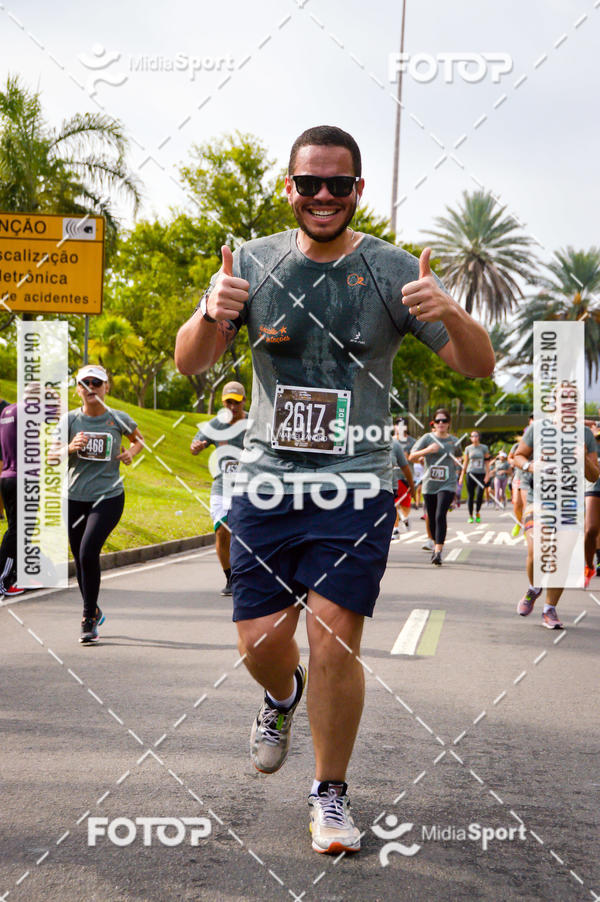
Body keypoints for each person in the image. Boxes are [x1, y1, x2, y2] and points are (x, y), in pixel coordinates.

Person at [174, 124, 494, 854]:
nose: (323, 196)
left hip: (356, 484)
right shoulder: (250, 263)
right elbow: (191, 361)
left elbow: (479, 366)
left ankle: (329, 795)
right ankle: (279, 695)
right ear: (288, 187)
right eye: (309, 183)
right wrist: (211, 308)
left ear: (357, 191)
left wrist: (447, 310)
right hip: (266, 480)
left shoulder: (390, 271)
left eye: (338, 185)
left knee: (333, 639)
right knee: (260, 640)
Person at [63, 365, 144, 643]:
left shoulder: (117, 418)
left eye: (96, 383)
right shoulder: (70, 421)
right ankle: (94, 609)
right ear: (77, 390)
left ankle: (87, 618)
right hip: (74, 498)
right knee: (80, 559)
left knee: (87, 552)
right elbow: (50, 456)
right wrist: (70, 448)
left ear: (106, 387)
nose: (91, 388)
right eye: (84, 383)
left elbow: (139, 439)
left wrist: (131, 452)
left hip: (108, 498)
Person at [514, 419, 598, 627]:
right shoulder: (538, 429)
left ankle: (549, 609)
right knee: (537, 551)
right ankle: (534, 587)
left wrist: (584, 459)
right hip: (539, 501)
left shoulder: (585, 434)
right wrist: (531, 465)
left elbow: (594, 475)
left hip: (570, 505)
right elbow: (517, 455)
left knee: (563, 556)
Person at [191, 381, 247, 595]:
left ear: (244, 401)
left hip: (249, 489)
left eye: (237, 403)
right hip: (221, 488)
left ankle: (250, 573)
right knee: (223, 532)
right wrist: (197, 446)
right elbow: (195, 446)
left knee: (247, 535)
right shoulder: (216, 424)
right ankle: (230, 578)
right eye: (229, 402)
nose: (233, 407)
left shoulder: (254, 422)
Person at [409, 408, 462, 566]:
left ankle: (438, 551)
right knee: (431, 517)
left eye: (444, 421)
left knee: (440, 515)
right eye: (438, 421)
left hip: (448, 483)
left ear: (448, 423)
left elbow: (459, 455)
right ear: (433, 423)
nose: (441, 423)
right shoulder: (427, 438)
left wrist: (457, 464)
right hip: (430, 483)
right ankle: (433, 540)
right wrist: (428, 450)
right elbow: (412, 456)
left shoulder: (453, 440)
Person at [0, 399, 23, 596]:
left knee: (18, 529)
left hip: (7, 475)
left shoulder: (7, 411)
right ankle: (4, 580)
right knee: (17, 530)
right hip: (20, 478)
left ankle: (14, 574)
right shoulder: (26, 411)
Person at [458, 430, 490, 523]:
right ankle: (471, 515)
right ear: (471, 438)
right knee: (471, 495)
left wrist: (487, 474)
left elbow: (487, 461)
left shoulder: (484, 448)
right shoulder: (468, 448)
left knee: (480, 494)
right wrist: (461, 475)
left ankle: (477, 512)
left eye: (476, 436)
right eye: (472, 436)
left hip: (481, 474)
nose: (474, 438)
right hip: (470, 473)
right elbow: (465, 462)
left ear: (479, 437)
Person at [391, 436, 415, 538]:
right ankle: (395, 529)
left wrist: (408, 456)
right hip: (391, 480)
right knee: (394, 505)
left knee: (405, 504)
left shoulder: (411, 442)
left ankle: (405, 517)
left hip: (403, 478)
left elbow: (413, 460)